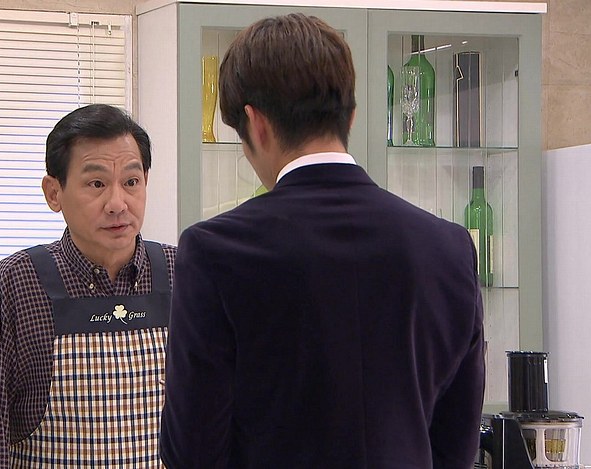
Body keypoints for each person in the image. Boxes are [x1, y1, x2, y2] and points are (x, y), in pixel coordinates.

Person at [160, 13, 485, 469]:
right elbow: (458, 443)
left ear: (255, 124)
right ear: (350, 115)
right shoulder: (450, 247)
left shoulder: (214, 251)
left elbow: (193, 452)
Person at [0, 103, 176, 467]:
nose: (117, 203)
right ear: (54, 192)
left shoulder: (183, 275)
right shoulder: (17, 284)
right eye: (97, 184)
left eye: (131, 182)